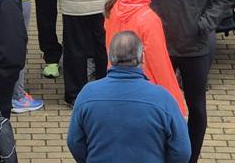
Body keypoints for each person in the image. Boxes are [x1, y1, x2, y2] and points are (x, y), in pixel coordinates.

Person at [144, 0, 235, 163]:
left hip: (195, 46)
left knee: (195, 105)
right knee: (156, 104)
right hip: (159, 45)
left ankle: (190, 158)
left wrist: (203, 24)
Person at [67, 30, 190, 163]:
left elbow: (74, 141)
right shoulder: (163, 98)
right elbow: (182, 150)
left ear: (109, 55)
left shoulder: (87, 94)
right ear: (142, 56)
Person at [103, 0, 186, 113]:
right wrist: (175, 104)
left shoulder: (114, 7)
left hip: (116, 83)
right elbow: (159, 64)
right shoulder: (148, 18)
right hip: (145, 92)